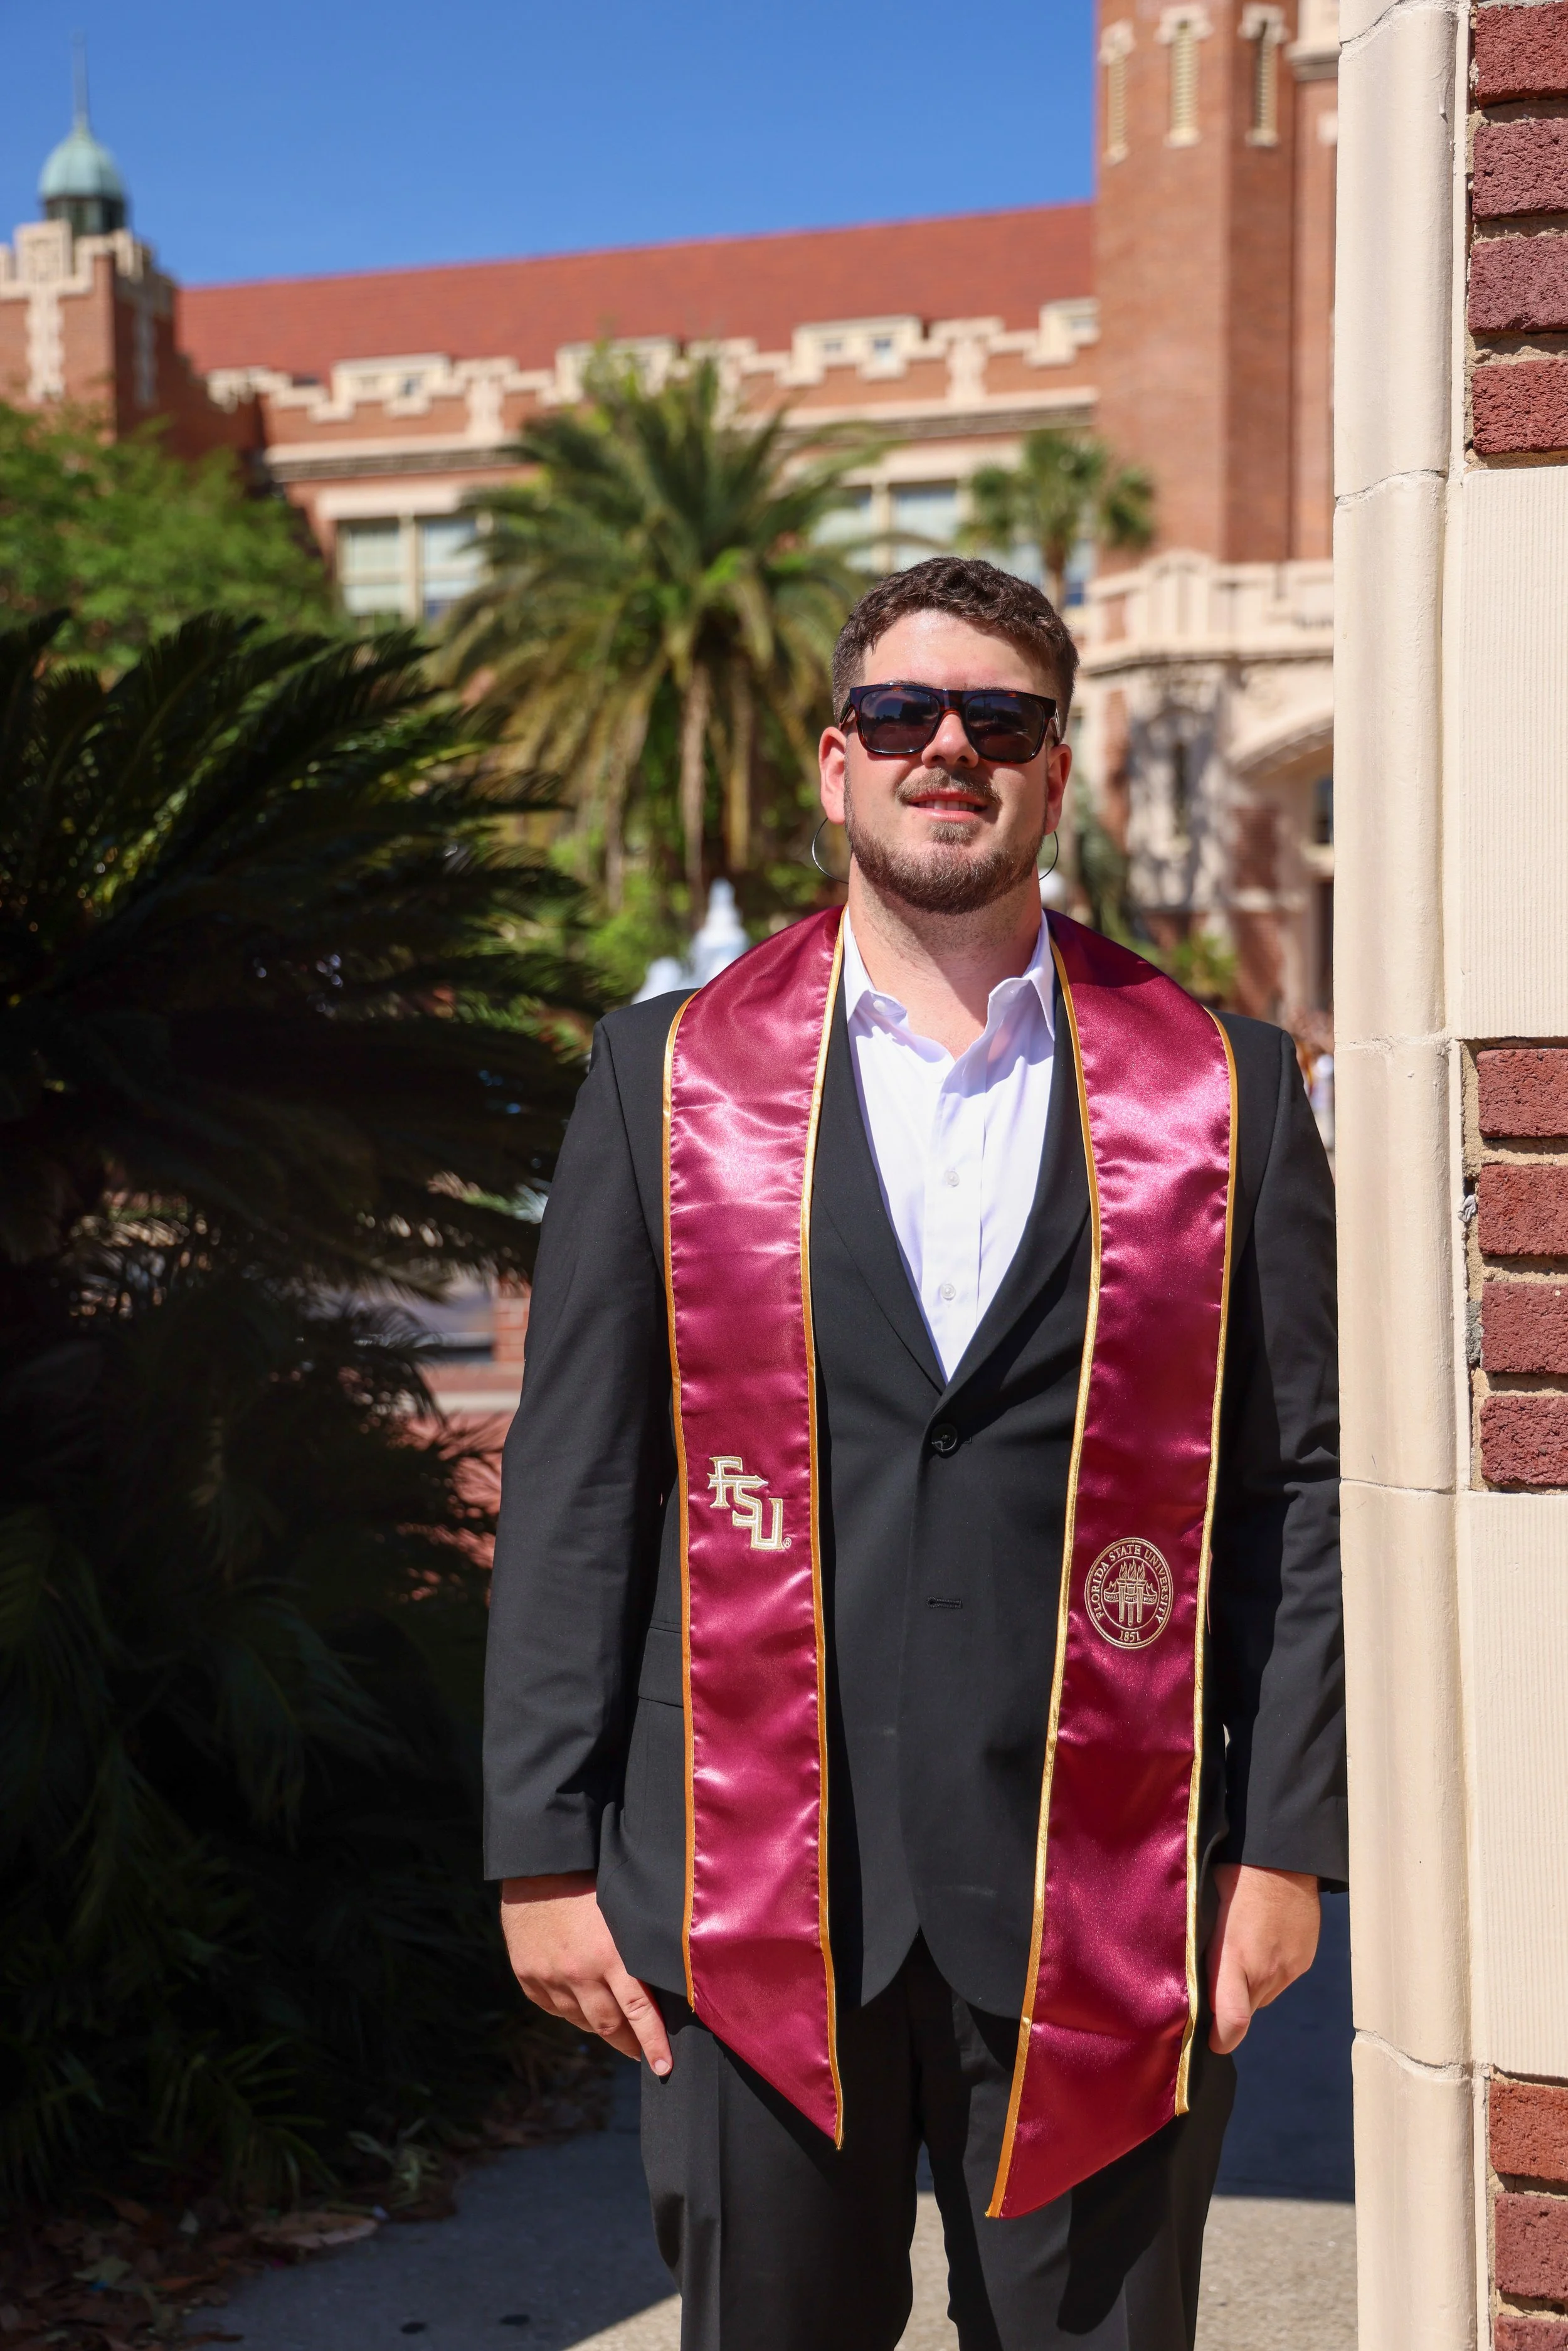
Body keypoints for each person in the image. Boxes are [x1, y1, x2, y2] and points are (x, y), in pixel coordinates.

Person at [483, 556, 1344, 2351]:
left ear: (1053, 764)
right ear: (833, 760)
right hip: (744, 1880)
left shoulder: (1224, 1090)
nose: (943, 748)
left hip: (1107, 1886)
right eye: (899, 713)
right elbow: (576, 1481)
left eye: (996, 719)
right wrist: (538, 1853)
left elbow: (1298, 1491)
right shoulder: (664, 1082)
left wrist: (1284, 1846)